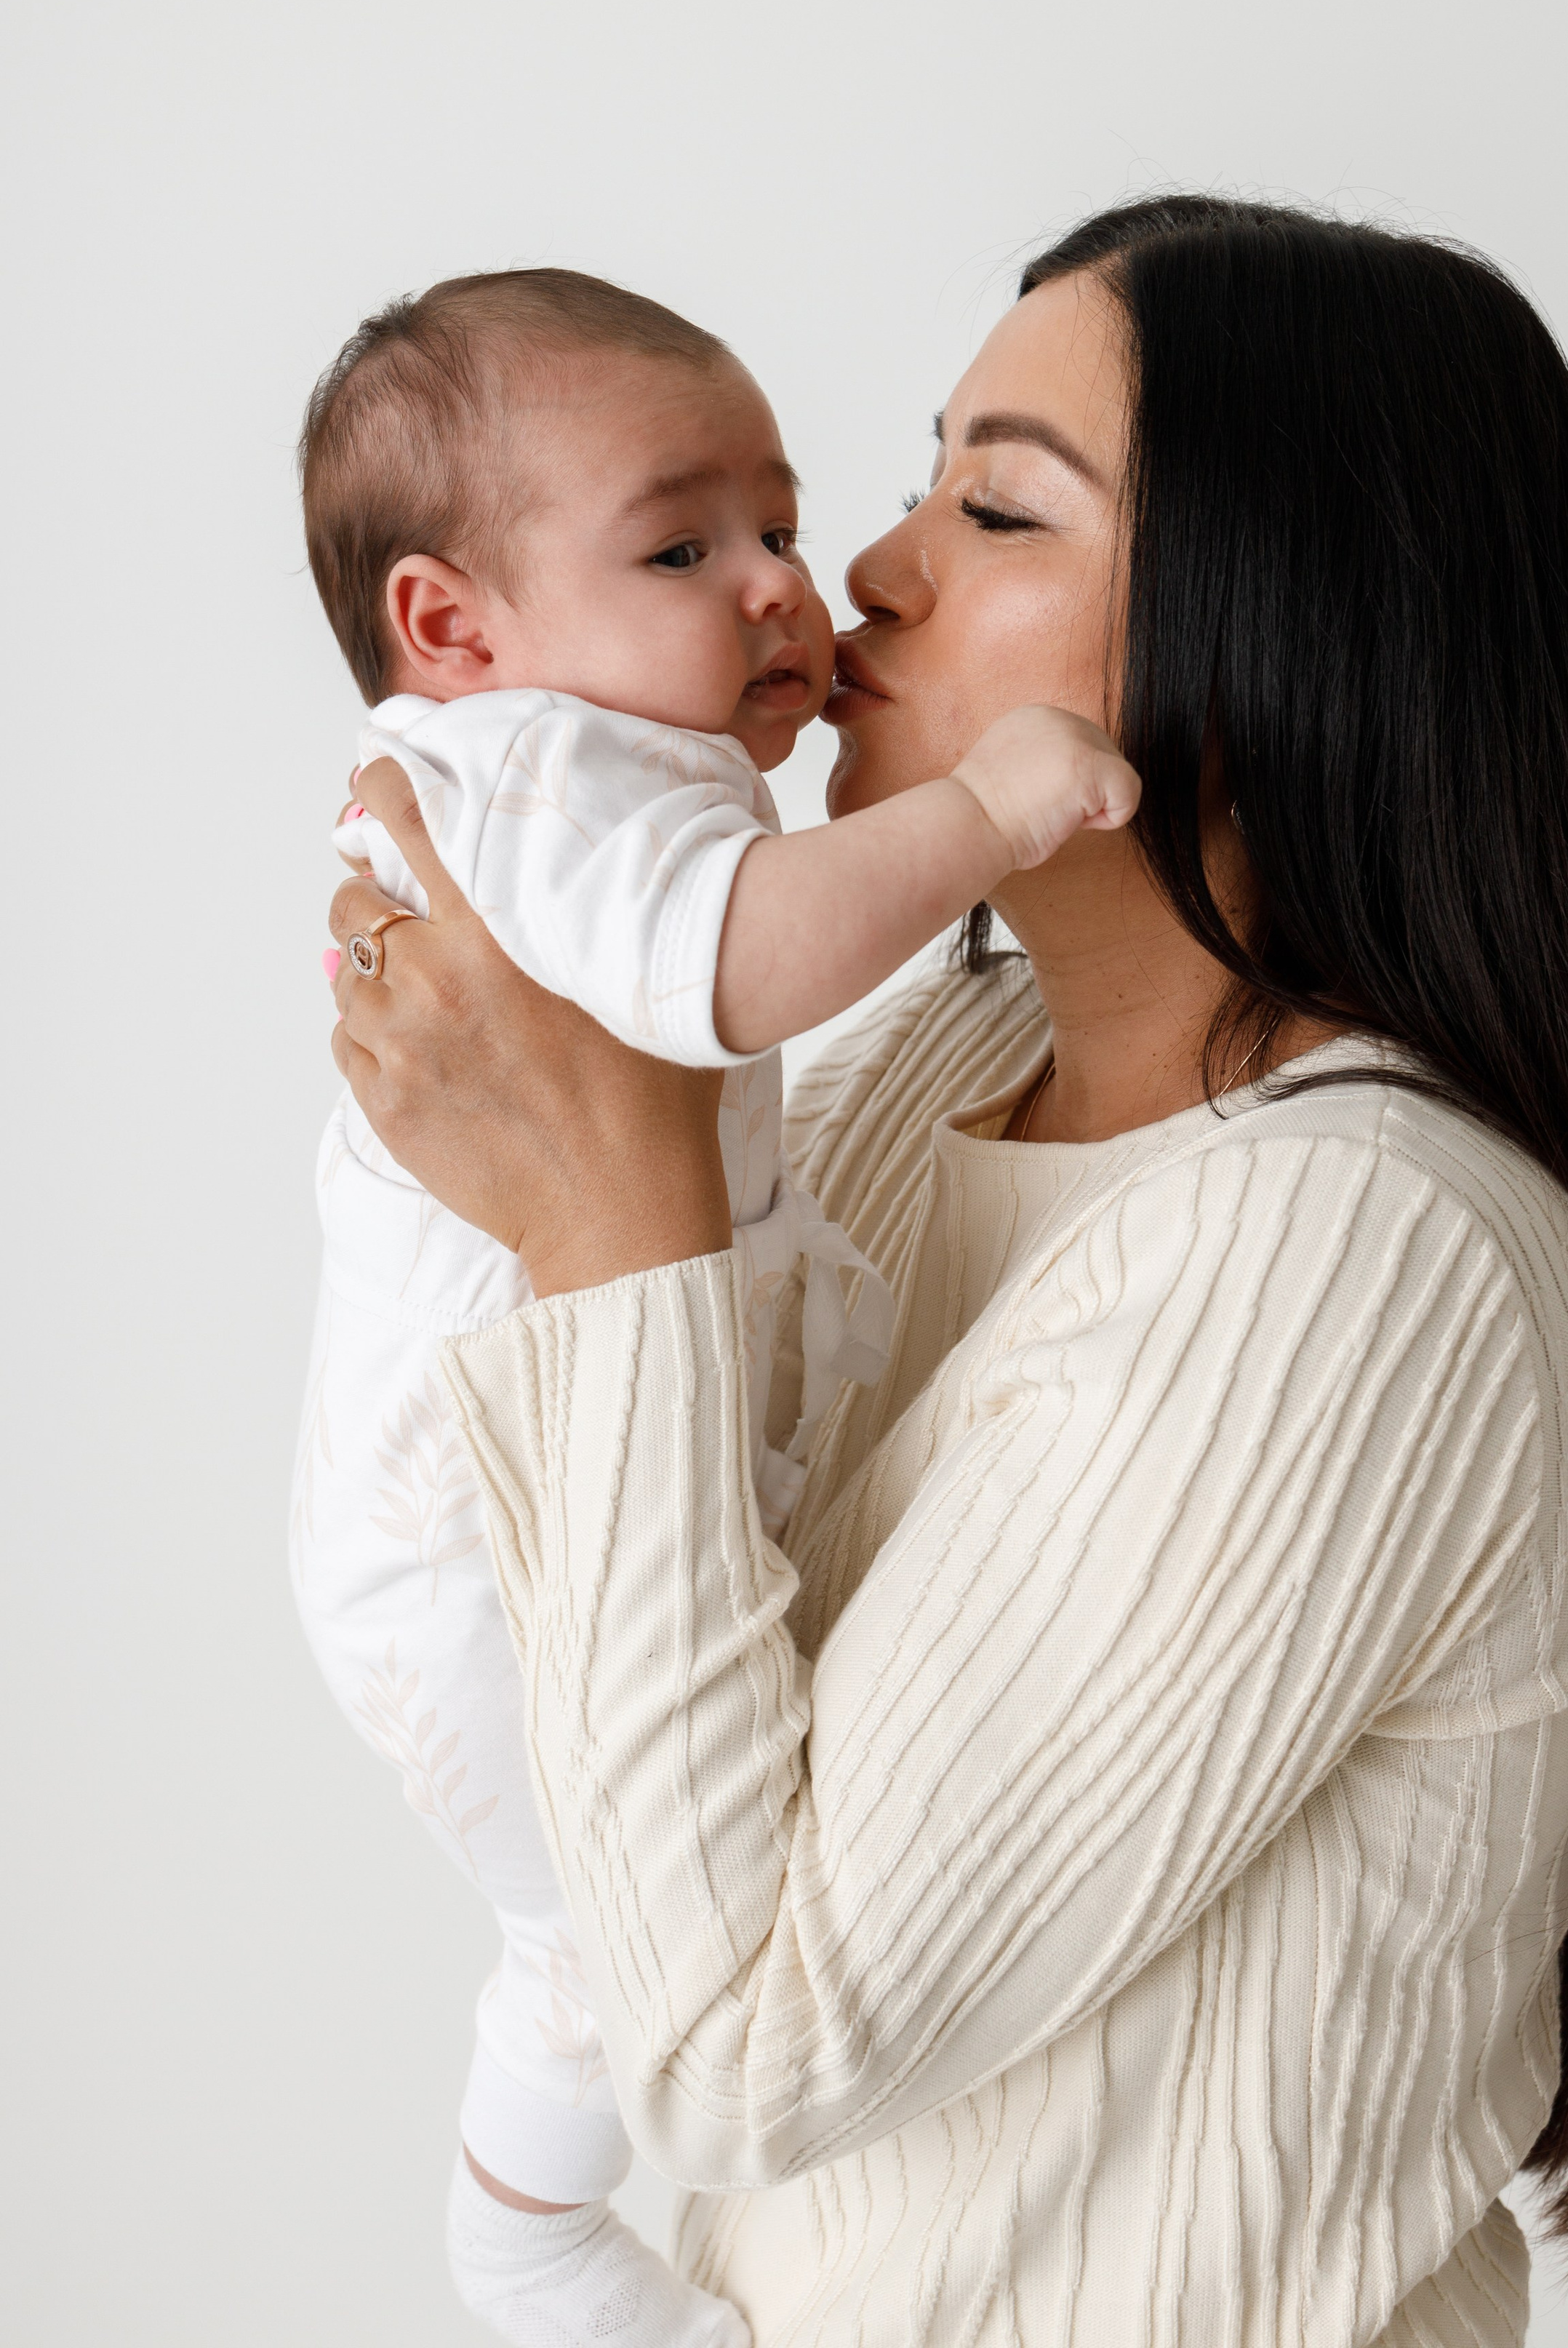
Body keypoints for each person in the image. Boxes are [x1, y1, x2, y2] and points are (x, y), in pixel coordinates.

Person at [326, 199, 1568, 2346]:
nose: (861, 574)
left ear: (1287, 635)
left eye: (995, 508)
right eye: (919, 482)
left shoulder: (1361, 1262)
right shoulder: (942, 1067)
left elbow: (737, 2047)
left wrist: (610, 1224)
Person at [293, 268, 1135, 2348]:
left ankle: (536, 2245)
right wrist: (992, 806)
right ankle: (534, 2258)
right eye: (687, 548)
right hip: (463, 1537)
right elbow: (740, 967)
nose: (801, 585)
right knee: (617, 1941)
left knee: (595, 1939)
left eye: (778, 519)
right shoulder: (534, 777)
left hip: (498, 1499)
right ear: (452, 628)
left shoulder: (598, 768)